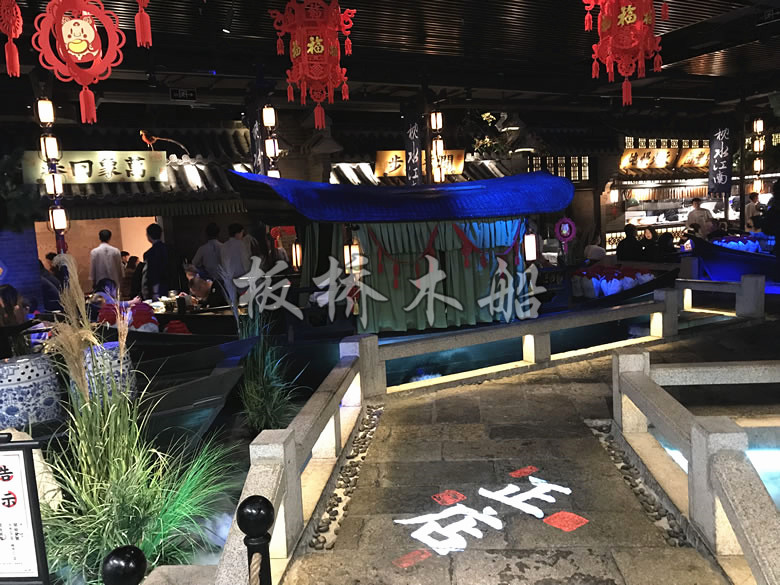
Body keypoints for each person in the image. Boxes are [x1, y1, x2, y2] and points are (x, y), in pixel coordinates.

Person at [143, 223, 169, 300]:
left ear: (148, 236)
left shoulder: (149, 253)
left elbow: (152, 273)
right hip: (172, 286)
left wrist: (155, 292)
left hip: (157, 289)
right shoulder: (171, 250)